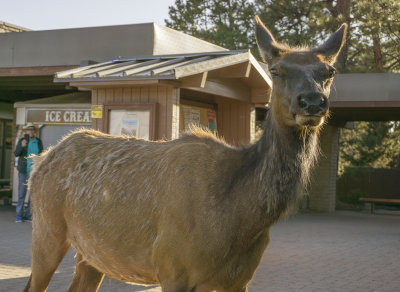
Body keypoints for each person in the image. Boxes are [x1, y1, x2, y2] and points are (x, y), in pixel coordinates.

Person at [14, 123, 43, 223]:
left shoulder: (38, 142)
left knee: (32, 195)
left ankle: (28, 216)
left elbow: (41, 155)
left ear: (34, 132)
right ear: (26, 131)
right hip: (24, 172)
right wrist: (22, 146)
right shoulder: (22, 141)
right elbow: (16, 153)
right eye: (28, 130)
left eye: (32, 130)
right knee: (22, 194)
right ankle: (19, 216)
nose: (30, 131)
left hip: (35, 172)